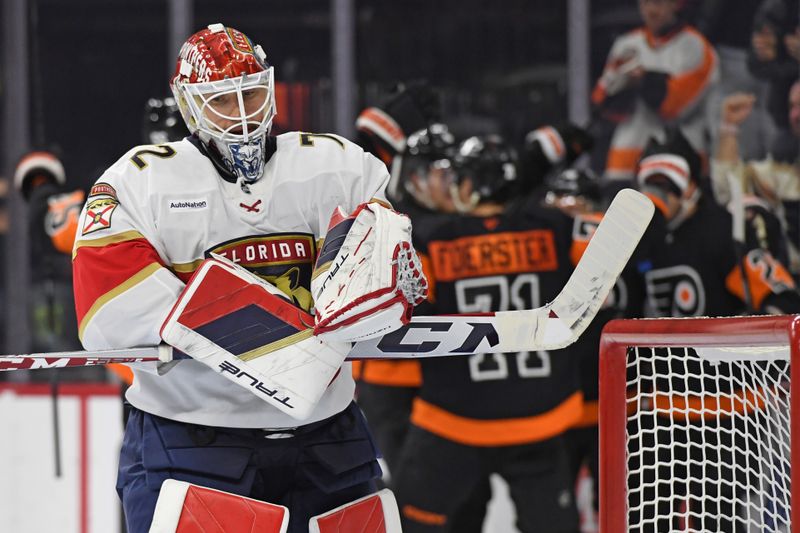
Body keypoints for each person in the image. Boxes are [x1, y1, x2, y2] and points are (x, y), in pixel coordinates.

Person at [72, 24, 397, 533]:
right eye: (223, 99)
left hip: (328, 434)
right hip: (192, 438)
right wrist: (287, 349)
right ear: (188, 104)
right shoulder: (138, 180)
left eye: (251, 92)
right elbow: (107, 313)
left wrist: (375, 285)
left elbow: (378, 273)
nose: (243, 112)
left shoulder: (337, 165)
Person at [393, 134, 582, 533]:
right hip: (540, 415)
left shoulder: (431, 237)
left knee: (412, 522)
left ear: (471, 186)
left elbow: (405, 316)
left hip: (452, 421)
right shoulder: (556, 228)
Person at [627, 130, 800, 530]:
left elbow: (784, 299)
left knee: (718, 520)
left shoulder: (723, 230)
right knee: (648, 519)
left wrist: (762, 321)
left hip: (729, 413)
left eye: (668, 185)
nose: (660, 196)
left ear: (690, 188)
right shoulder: (639, 238)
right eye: (651, 185)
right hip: (658, 411)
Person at [591, 0, 718, 182]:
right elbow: (601, 104)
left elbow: (676, 108)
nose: (650, 10)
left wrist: (644, 80)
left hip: (681, 158)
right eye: (645, 3)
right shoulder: (626, 44)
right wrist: (621, 89)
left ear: (676, 4)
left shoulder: (694, 46)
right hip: (627, 157)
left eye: (658, 3)